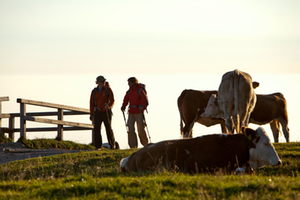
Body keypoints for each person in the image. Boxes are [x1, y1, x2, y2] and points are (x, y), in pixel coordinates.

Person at [90, 75, 116, 150]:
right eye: (101, 81)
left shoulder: (108, 90)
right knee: (96, 129)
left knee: (108, 128)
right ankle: (98, 146)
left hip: (106, 111)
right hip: (97, 111)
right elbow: (91, 103)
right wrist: (91, 114)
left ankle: (112, 145)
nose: (103, 82)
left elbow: (112, 100)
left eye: (103, 81)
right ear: (97, 82)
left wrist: (109, 106)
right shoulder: (94, 91)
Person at [121, 77, 149, 148]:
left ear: (133, 83)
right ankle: (133, 146)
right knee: (130, 129)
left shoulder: (140, 90)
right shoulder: (129, 91)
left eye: (129, 82)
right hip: (132, 112)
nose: (128, 84)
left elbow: (144, 100)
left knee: (141, 129)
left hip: (138, 112)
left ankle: (145, 144)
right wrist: (123, 106)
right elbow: (126, 100)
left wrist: (143, 107)